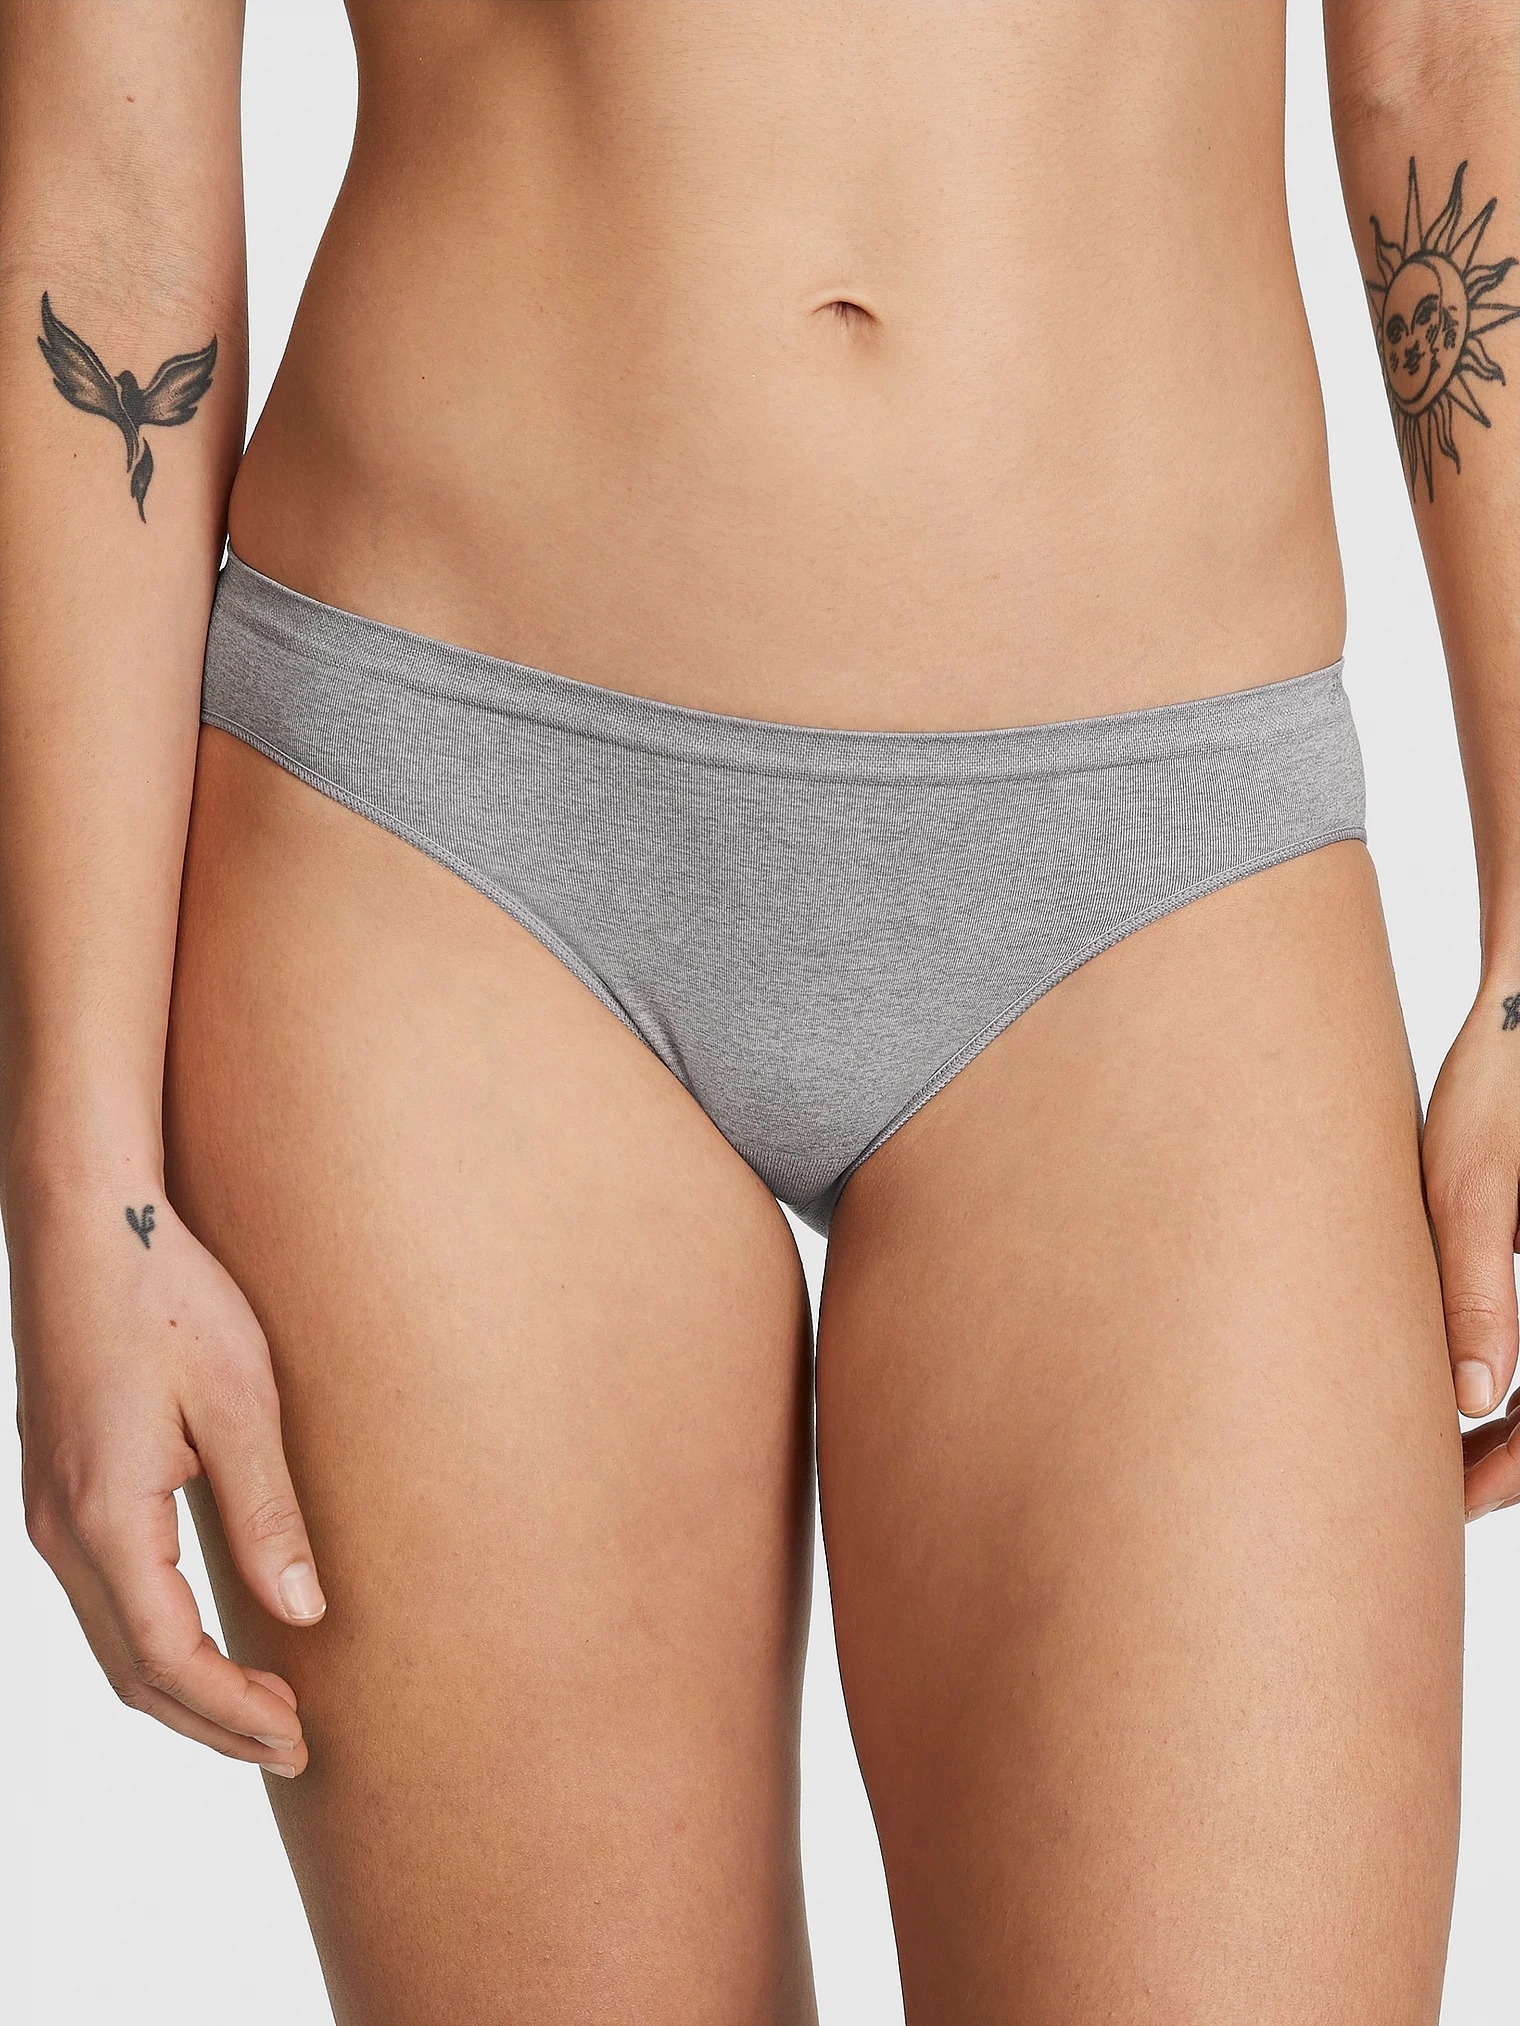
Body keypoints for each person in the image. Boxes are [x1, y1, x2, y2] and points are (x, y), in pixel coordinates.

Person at [1, 3, 1515, 2020]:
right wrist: (78, 1167)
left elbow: (1444, 63)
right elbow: (103, 185)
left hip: (1161, 871)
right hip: (446, 847)